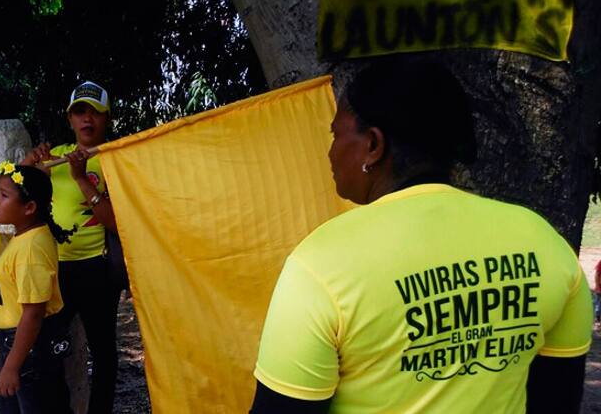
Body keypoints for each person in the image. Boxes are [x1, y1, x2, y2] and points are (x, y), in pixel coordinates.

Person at [250, 60, 592, 414]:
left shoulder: (319, 266)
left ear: (373, 145)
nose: (330, 151)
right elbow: (557, 401)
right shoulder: (547, 245)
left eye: (336, 135)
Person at [22, 81, 122, 413]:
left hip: (98, 268)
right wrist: (28, 163)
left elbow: (116, 223)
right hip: (56, 268)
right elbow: (16, 193)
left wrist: (81, 177)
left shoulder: (115, 158)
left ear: (107, 118)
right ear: (69, 119)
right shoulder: (55, 157)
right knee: (47, 347)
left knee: (103, 353)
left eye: (95, 112)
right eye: (80, 111)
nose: (87, 119)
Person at [0, 163, 74, 413]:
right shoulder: (26, 235)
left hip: (30, 348)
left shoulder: (31, 250)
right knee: (7, 406)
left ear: (29, 208)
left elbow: (33, 313)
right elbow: (16, 282)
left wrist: (12, 367)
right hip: (19, 345)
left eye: (4, 195)